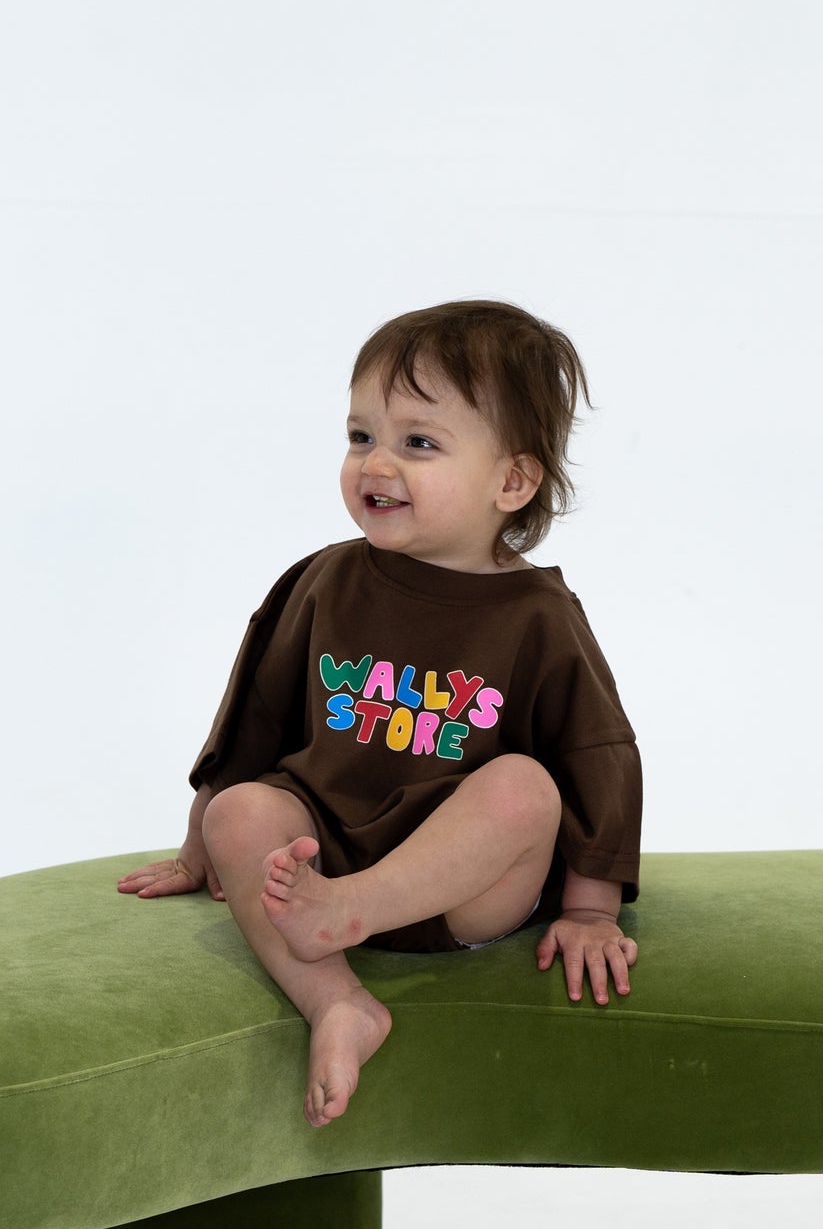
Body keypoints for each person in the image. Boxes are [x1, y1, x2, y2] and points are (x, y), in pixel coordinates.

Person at [117, 301, 642, 1126]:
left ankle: (352, 914)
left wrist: (589, 911)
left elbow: (597, 753)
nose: (376, 464)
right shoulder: (325, 581)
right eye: (362, 436)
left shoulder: (536, 615)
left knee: (523, 788)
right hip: (319, 856)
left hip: (460, 891)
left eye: (418, 443)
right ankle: (339, 1005)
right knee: (244, 807)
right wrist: (199, 843)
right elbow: (253, 716)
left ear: (512, 480)